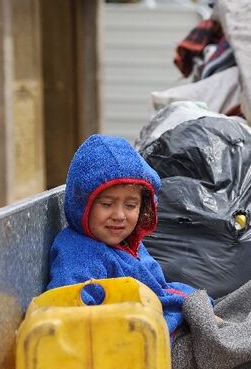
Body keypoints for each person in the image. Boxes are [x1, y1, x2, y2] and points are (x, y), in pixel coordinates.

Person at [47, 134, 203, 334]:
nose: (119, 215)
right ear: (82, 204)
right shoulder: (78, 253)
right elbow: (70, 314)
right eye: (107, 204)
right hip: (148, 349)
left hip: (164, 330)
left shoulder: (129, 245)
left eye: (130, 205)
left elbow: (161, 290)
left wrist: (195, 306)